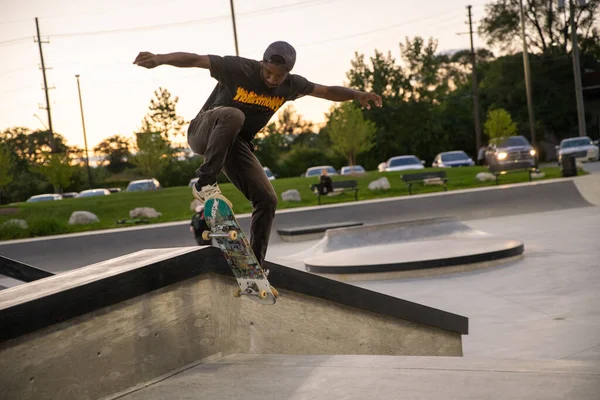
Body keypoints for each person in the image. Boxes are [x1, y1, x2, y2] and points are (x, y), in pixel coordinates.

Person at [133, 41, 383, 267]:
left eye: (279, 75)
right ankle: (205, 182)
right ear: (262, 63)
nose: (273, 79)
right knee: (234, 114)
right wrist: (160, 58)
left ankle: (254, 264)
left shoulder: (291, 85)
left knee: (267, 199)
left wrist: (357, 95)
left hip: (235, 144)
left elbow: (326, 91)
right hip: (203, 131)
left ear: (287, 74)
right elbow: (196, 59)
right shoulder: (238, 68)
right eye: (268, 72)